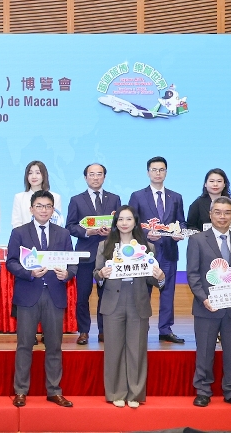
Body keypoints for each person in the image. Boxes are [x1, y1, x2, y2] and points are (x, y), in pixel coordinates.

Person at [6, 190, 76, 408]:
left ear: (53, 210)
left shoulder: (63, 233)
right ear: (31, 209)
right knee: (24, 345)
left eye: (47, 206)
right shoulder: (19, 232)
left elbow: (72, 261)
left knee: (54, 345)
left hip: (54, 295)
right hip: (28, 294)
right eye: (39, 206)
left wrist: (68, 274)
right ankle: (20, 390)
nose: (43, 210)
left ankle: (54, 390)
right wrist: (29, 273)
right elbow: (11, 262)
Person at [95, 205, 165, 408]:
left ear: (135, 222)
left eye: (128, 219)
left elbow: (153, 279)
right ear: (115, 222)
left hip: (138, 301)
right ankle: (116, 392)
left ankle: (135, 394)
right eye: (120, 219)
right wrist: (101, 274)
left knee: (137, 350)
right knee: (113, 350)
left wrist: (160, 277)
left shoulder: (147, 248)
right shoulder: (105, 245)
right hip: (113, 302)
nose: (124, 223)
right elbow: (96, 273)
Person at [187, 197, 231, 409]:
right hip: (207, 305)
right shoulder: (197, 240)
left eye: (227, 212)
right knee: (205, 350)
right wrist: (203, 299)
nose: (222, 216)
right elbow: (193, 274)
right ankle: (203, 391)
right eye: (218, 212)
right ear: (210, 214)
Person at [127, 156, 187, 344]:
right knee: (142, 293)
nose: (158, 173)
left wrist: (179, 232)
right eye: (154, 170)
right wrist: (146, 234)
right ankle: (140, 327)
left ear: (166, 172)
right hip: (144, 253)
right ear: (148, 173)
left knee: (167, 293)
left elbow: (181, 222)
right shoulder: (137, 196)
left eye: (161, 170)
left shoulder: (176, 197)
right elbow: (130, 223)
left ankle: (165, 330)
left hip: (169, 251)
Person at [65, 163, 120, 345]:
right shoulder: (76, 200)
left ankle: (104, 331)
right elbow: (70, 227)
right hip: (85, 254)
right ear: (85, 177)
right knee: (83, 295)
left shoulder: (114, 199)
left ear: (104, 177)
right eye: (92, 174)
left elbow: (121, 224)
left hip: (108, 254)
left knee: (107, 295)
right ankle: (83, 331)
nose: (95, 178)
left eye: (99, 174)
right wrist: (88, 232)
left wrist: (111, 231)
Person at [12, 160, 63, 229]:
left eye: (38, 173)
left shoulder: (55, 197)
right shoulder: (19, 197)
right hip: (24, 235)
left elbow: (57, 222)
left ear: (44, 175)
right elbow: (16, 223)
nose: (34, 176)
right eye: (30, 173)